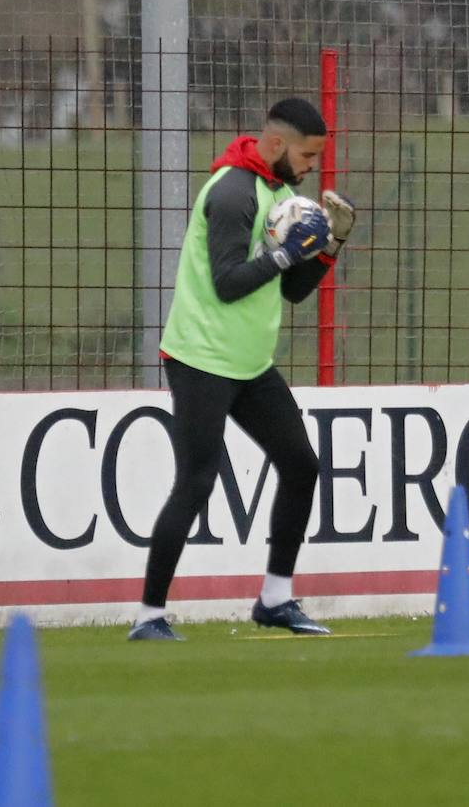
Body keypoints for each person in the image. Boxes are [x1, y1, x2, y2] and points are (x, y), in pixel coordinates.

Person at [129, 97, 355, 641]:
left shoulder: (281, 194)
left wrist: (331, 244)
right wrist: (284, 254)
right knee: (197, 482)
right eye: (306, 156)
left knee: (300, 465)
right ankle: (149, 616)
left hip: (250, 365)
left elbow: (294, 291)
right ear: (276, 144)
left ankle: (275, 600)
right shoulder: (232, 192)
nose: (310, 168)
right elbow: (229, 283)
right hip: (201, 361)